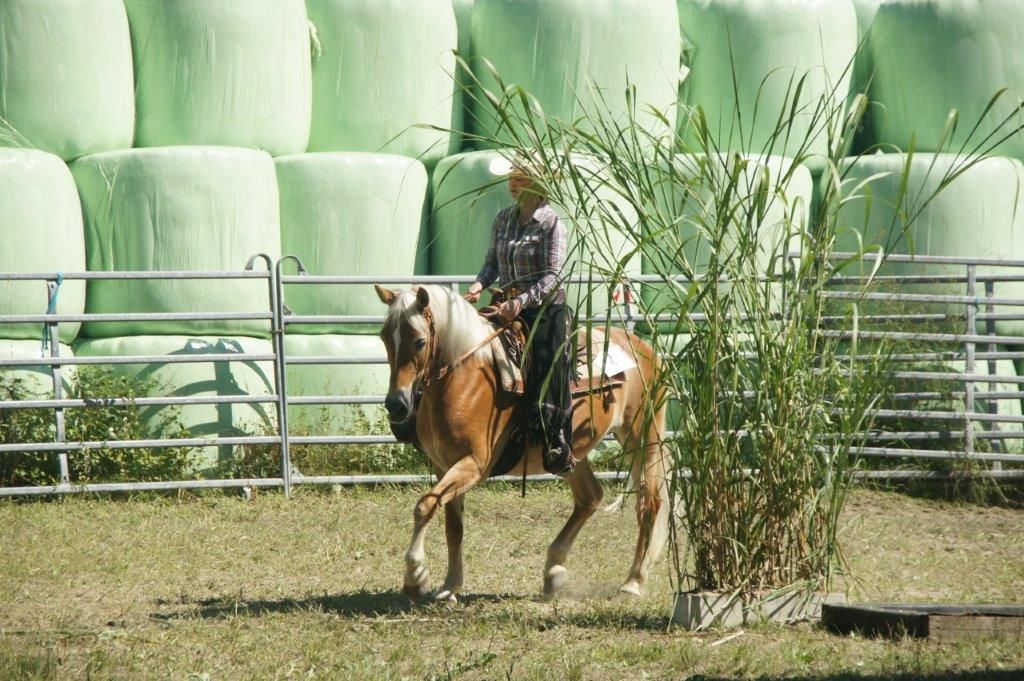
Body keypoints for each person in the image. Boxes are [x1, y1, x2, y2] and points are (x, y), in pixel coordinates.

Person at [464, 156, 574, 475]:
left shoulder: (552, 224)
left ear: (538, 183)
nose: (513, 183)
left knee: (547, 361)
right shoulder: (503, 220)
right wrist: (478, 284)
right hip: (506, 305)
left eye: (521, 178)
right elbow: (492, 264)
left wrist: (523, 300)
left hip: (544, 310)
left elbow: (554, 275)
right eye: (512, 178)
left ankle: (555, 436)